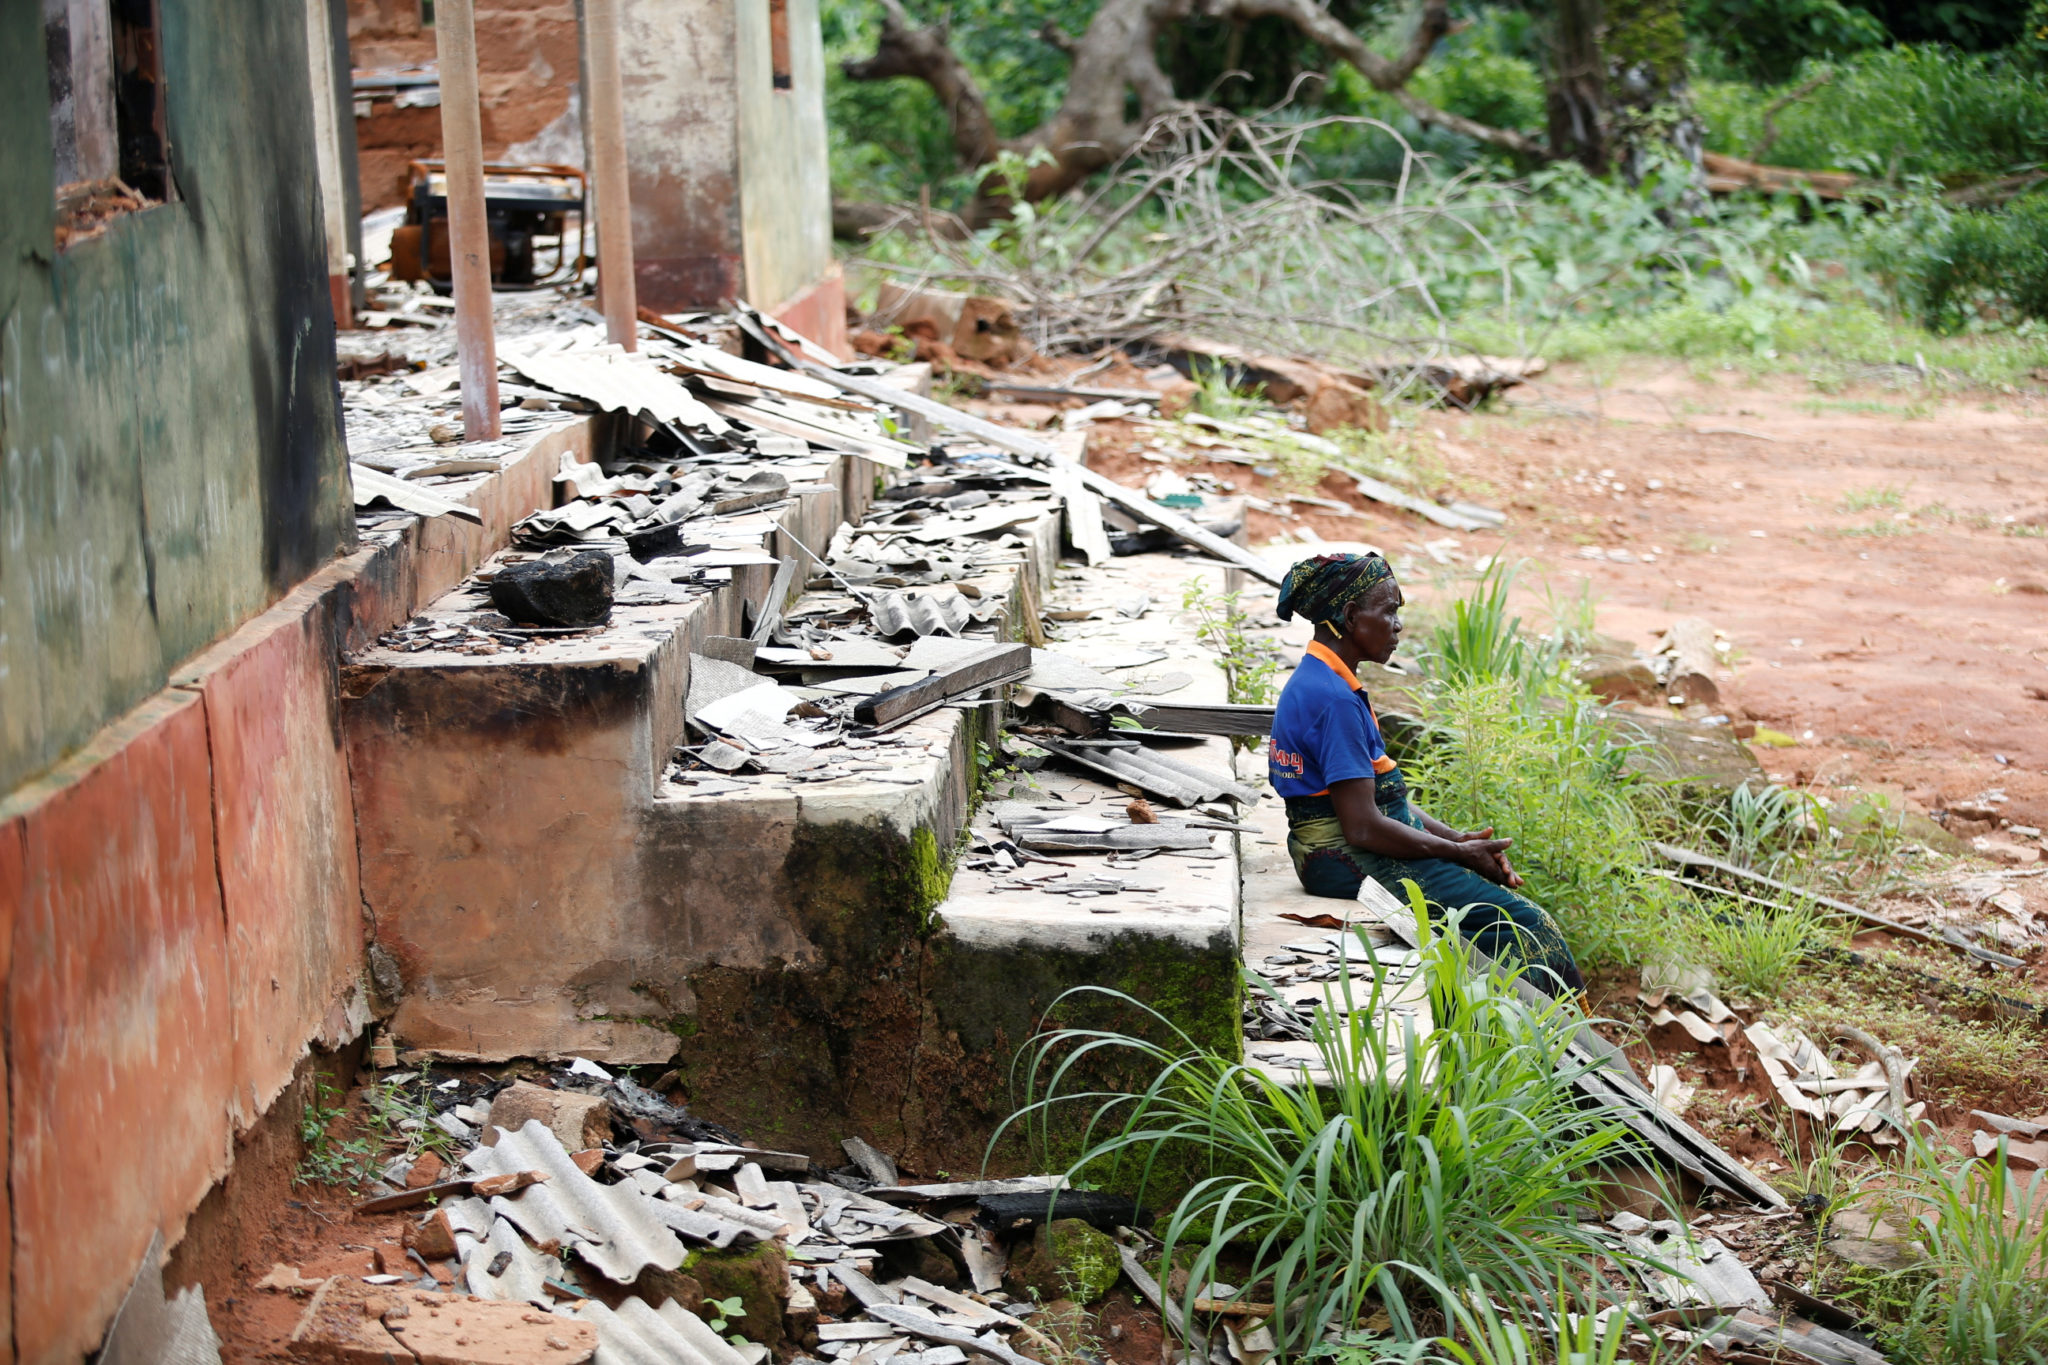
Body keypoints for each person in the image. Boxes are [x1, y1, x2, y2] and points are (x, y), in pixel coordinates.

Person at [1265, 552, 1584, 997]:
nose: (1397, 625)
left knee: (1495, 914)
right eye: (1389, 611)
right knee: (1523, 924)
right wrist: (1457, 855)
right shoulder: (1334, 700)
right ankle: (1551, 1047)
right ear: (1351, 615)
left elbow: (1382, 800)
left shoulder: (1324, 681)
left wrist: (1459, 841)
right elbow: (1362, 826)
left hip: (1329, 853)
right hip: (1342, 861)